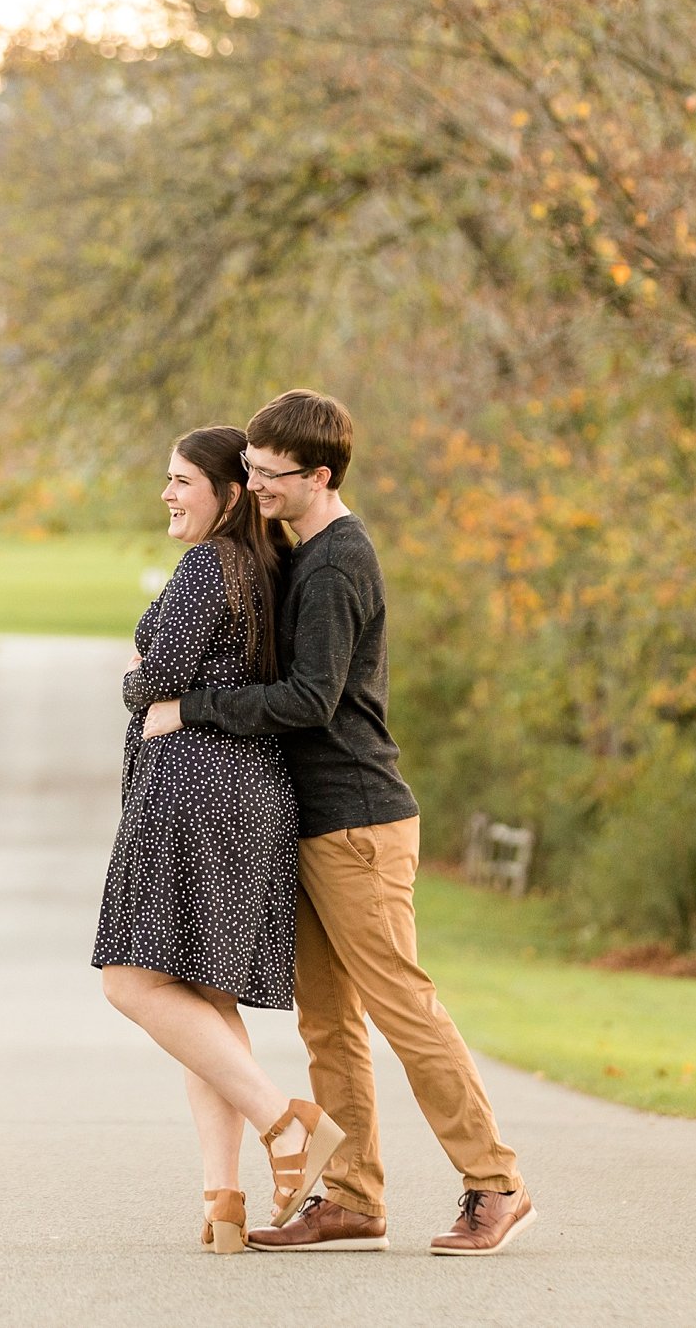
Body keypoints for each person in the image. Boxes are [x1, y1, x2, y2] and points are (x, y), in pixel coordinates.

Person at [143, 389, 536, 1257]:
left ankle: (496, 1181)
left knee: (404, 1007)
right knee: (326, 1021)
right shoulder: (301, 549)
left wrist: (193, 704)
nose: (255, 486)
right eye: (246, 469)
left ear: (320, 474)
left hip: (358, 820)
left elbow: (311, 698)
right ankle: (354, 1194)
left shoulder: (337, 562)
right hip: (311, 823)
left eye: (271, 475)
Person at [94, 425, 345, 1255]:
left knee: (131, 982)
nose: (167, 494)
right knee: (206, 998)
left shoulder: (209, 566)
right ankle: (224, 1199)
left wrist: (138, 674)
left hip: (195, 792)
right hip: (251, 794)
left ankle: (287, 1123)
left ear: (228, 494)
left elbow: (153, 680)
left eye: (180, 481)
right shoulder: (263, 568)